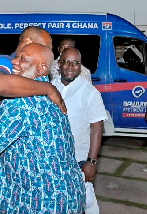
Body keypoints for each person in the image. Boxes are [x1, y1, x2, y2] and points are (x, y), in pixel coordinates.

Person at [0, 43, 86, 213]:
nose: (15, 62)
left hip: (42, 202)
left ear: (42, 69)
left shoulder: (21, 102)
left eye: (23, 59)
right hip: (70, 198)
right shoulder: (53, 94)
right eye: (16, 57)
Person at [51, 48, 108, 213]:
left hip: (78, 160)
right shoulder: (49, 87)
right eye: (66, 62)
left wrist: (91, 162)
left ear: (80, 66)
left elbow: (97, 128)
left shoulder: (90, 93)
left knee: (83, 205)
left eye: (75, 63)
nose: (70, 67)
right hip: (53, 159)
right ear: (59, 64)